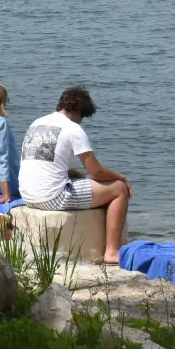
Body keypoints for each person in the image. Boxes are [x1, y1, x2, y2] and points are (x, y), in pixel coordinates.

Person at [19, 86, 132, 265]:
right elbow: (96, 172)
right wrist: (121, 177)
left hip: (27, 195)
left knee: (79, 177)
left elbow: (43, 162)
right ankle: (112, 251)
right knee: (119, 189)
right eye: (83, 117)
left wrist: (73, 173)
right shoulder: (72, 128)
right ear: (79, 110)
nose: (81, 121)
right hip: (52, 198)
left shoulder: (37, 123)